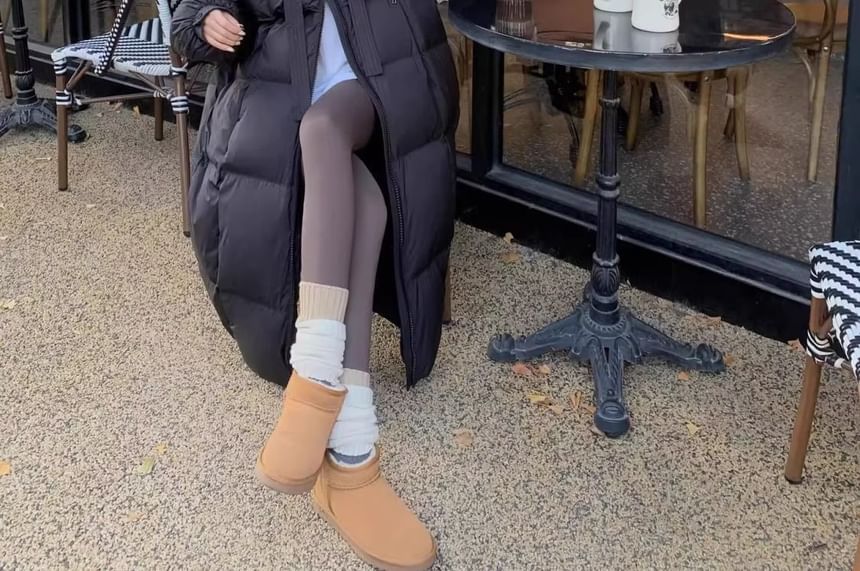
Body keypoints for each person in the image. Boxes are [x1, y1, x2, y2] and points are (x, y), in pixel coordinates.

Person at [171, 0, 458, 568]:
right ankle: (352, 456)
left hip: (372, 81)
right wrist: (207, 18)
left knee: (324, 131)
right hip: (280, 96)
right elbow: (186, 23)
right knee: (367, 208)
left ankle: (315, 376)